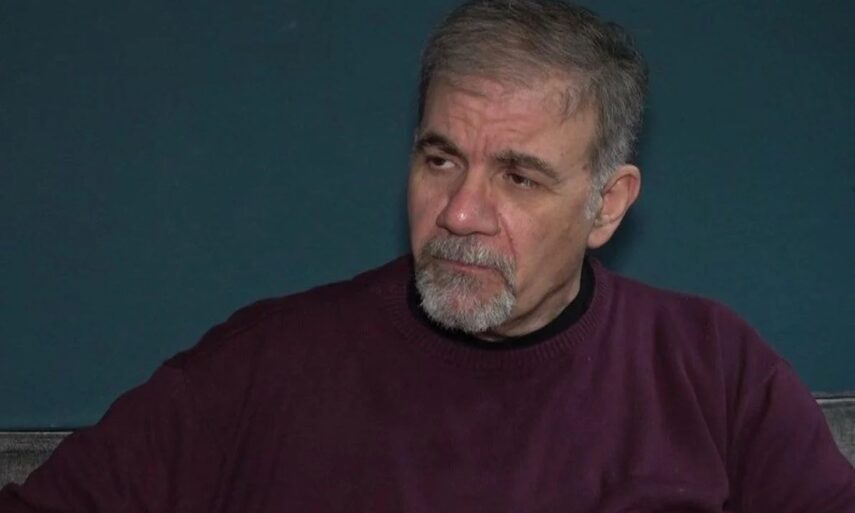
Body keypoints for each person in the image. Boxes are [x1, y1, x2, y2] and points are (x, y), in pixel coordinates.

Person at [2, 0, 853, 511]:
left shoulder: (713, 369)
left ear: (606, 204)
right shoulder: (264, 364)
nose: (461, 211)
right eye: (440, 159)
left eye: (518, 176)